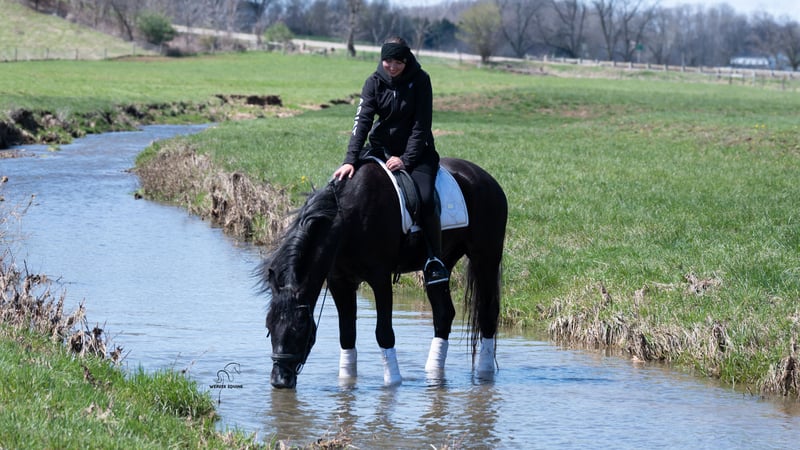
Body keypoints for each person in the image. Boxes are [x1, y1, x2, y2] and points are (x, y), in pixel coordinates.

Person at [333, 36, 448, 285]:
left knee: (426, 199)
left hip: (417, 154)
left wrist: (406, 159)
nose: (392, 67)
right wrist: (350, 160)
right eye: (388, 61)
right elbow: (362, 122)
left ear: (407, 60)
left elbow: (421, 126)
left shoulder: (421, 80)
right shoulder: (373, 82)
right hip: (380, 150)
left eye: (398, 62)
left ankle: (434, 259)